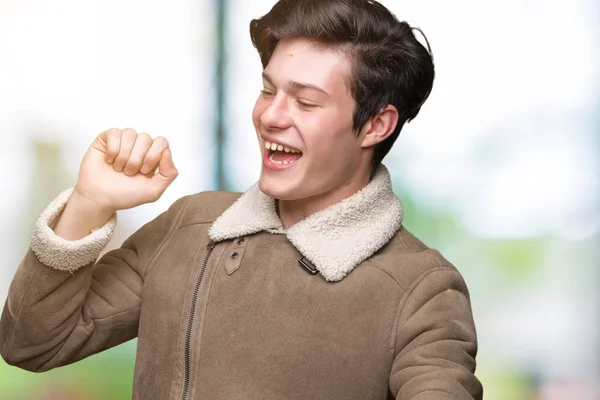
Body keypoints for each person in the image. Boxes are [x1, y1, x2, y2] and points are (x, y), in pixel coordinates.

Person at [0, 0, 483, 399]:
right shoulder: (191, 225)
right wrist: (90, 203)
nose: (270, 116)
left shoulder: (423, 289)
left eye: (306, 102)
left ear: (377, 124)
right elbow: (32, 345)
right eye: (267, 90)